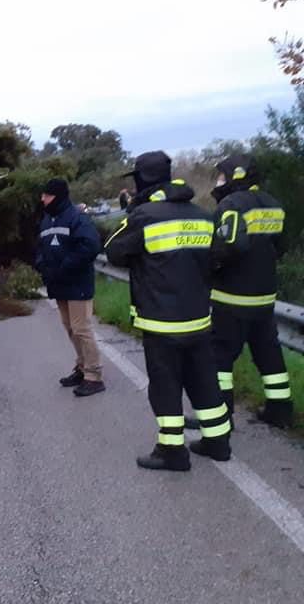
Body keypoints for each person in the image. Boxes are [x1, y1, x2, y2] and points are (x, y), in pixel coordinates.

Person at [105, 151, 231, 471]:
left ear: (142, 181)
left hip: (161, 322)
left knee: (166, 386)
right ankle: (218, 442)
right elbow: (218, 258)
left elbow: (114, 251)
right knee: (204, 380)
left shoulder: (144, 216)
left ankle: (173, 451)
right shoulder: (203, 215)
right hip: (199, 317)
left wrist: (131, 212)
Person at [185, 154, 292, 429]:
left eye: (222, 175)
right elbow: (281, 246)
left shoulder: (231, 204)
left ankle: (221, 415)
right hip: (265, 296)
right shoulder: (273, 203)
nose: (219, 180)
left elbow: (230, 244)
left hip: (231, 297)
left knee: (219, 357)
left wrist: (212, 266)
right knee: (268, 354)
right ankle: (280, 411)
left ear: (235, 175)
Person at [35, 178, 104, 397]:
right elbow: (41, 248)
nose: (42, 199)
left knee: (81, 328)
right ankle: (82, 367)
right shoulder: (47, 219)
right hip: (58, 284)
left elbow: (90, 246)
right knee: (69, 328)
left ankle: (93, 377)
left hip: (78, 283)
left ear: (58, 196)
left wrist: (64, 267)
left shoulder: (77, 218)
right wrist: (42, 266)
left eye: (47, 195)